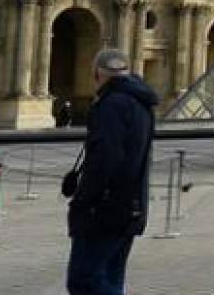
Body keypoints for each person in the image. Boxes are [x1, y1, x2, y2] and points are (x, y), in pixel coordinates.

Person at [65, 49, 159, 295]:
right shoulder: (142, 103)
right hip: (131, 206)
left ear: (97, 75)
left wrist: (84, 202)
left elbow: (105, 161)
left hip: (104, 210)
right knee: (111, 275)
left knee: (84, 280)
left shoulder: (111, 105)